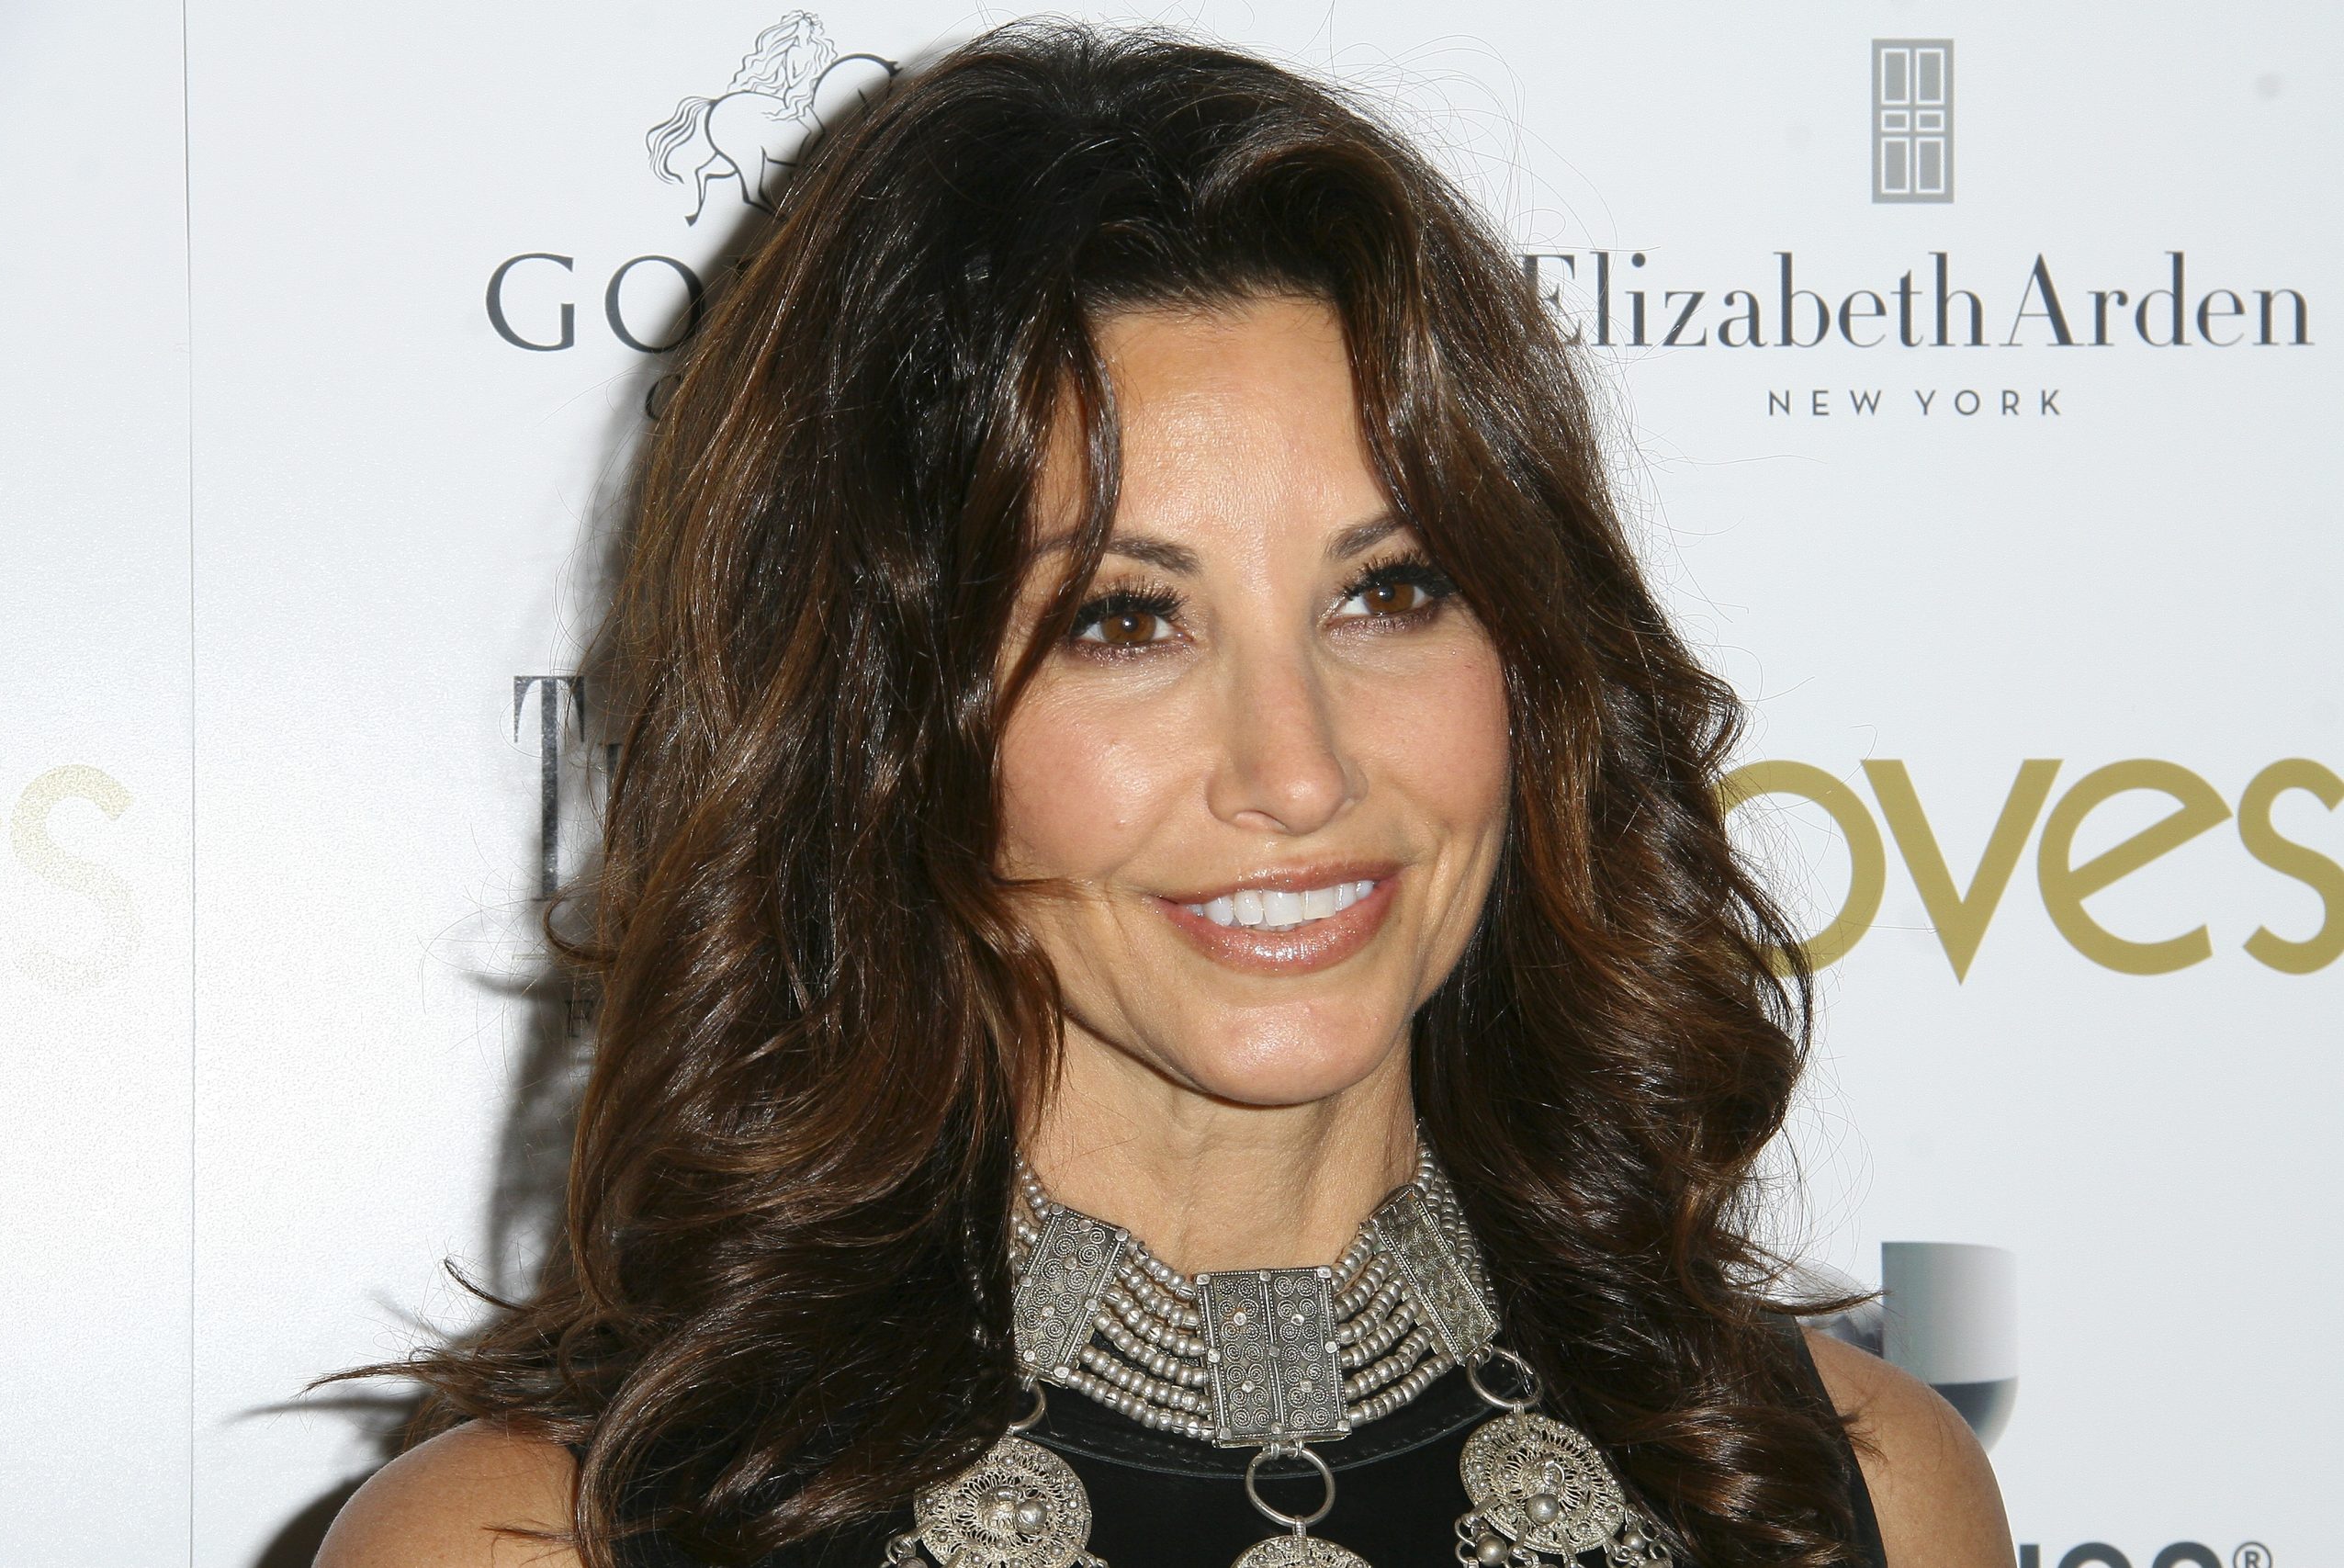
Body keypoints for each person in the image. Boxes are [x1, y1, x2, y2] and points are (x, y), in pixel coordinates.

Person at [318, 19, 2012, 1568]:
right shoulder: (534, 1545)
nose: (1300, 770)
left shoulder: (1850, 1491)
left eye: (1390, 592)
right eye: (1125, 622)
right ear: (885, 732)